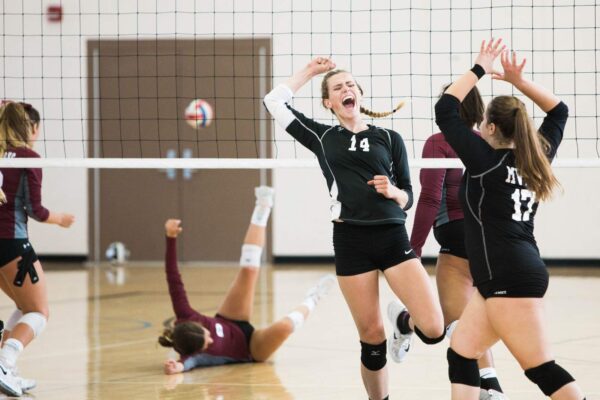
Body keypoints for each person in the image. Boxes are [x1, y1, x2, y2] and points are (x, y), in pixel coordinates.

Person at [264, 57, 445, 400]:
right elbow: (274, 101)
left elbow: (408, 196)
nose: (346, 89)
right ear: (328, 103)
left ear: (359, 94)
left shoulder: (390, 138)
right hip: (351, 239)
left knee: (434, 329)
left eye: (350, 85)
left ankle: (402, 324)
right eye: (337, 87)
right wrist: (311, 72)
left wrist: (393, 192)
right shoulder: (321, 136)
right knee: (371, 335)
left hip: (392, 235)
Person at [436, 38, 586, 400]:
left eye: (485, 120)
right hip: (506, 274)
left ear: (488, 128)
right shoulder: (537, 157)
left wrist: (479, 69)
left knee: (539, 368)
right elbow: (559, 112)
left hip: (509, 276)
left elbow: (446, 109)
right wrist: (519, 83)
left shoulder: (484, 161)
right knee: (461, 352)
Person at [158, 186, 335, 374]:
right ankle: (313, 298)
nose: (211, 341)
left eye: (207, 335)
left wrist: (170, 238)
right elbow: (187, 363)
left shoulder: (185, 313)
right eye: (206, 344)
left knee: (249, 269)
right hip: (251, 349)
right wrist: (177, 367)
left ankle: (263, 205)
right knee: (284, 327)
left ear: (197, 325)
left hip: (231, 319)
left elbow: (173, 277)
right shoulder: (193, 355)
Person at [410, 86, 507, 400]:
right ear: (480, 113)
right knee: (473, 319)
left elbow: (429, 198)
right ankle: (492, 385)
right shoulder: (489, 145)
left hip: (456, 236)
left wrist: (413, 250)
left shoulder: (439, 141)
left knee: (454, 326)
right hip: (490, 240)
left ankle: (404, 321)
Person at [0, 101, 75, 397]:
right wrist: (61, 220)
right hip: (12, 245)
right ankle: (5, 363)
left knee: (24, 306)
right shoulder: (27, 156)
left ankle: (7, 370)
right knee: (40, 312)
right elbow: (35, 209)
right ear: (31, 128)